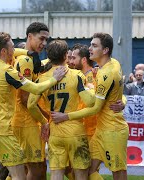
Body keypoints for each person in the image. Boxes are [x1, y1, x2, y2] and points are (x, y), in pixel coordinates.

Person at [0, 32, 66, 180]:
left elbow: (5, 51)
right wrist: (54, 79)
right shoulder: (7, 71)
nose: (15, 51)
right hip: (0, 129)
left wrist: (30, 53)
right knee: (19, 175)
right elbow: (35, 89)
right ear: (4, 51)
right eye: (12, 47)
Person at [51, 33, 129, 180]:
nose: (90, 48)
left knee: (118, 172)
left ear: (105, 50)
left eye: (94, 46)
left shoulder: (106, 73)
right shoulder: (112, 65)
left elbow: (95, 108)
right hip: (99, 131)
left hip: (112, 131)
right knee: (84, 171)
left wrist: (65, 116)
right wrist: (123, 101)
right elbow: (117, 92)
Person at [28, 40, 95, 180]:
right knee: (81, 174)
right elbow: (90, 102)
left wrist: (44, 122)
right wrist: (92, 89)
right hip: (76, 131)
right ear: (66, 55)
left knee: (56, 174)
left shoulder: (42, 79)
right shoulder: (76, 75)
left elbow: (30, 105)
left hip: (55, 132)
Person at [11, 22, 50, 180]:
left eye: (47, 40)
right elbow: (26, 98)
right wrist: (47, 117)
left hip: (26, 119)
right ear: (29, 36)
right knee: (36, 168)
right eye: (41, 38)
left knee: (36, 167)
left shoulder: (30, 58)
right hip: (25, 120)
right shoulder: (26, 60)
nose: (44, 43)